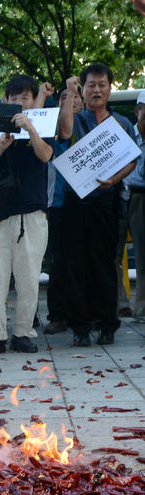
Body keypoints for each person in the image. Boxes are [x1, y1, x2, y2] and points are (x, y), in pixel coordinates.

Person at [58, 64, 137, 346]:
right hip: (75, 201)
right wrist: (69, 93)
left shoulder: (123, 123)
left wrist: (113, 180)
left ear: (109, 88)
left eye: (102, 84)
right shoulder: (77, 118)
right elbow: (65, 133)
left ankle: (107, 325)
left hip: (107, 201)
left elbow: (132, 160)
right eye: (90, 85)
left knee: (105, 264)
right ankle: (80, 328)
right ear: (84, 88)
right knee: (76, 264)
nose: (96, 90)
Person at [0, 75, 54, 357]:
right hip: (0, 217)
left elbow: (45, 155)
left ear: (33, 101)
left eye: (25, 98)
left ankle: (23, 333)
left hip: (32, 214)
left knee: (29, 278)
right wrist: (0, 147)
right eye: (14, 98)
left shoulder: (42, 125)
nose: (19, 103)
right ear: (5, 101)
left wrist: (31, 129)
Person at [44, 87, 83, 335]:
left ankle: (80, 312)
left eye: (76, 96)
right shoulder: (56, 128)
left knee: (81, 261)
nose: (72, 101)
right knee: (58, 262)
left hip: (87, 204)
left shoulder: (92, 125)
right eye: (65, 98)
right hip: (58, 203)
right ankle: (57, 315)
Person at [125, 90, 145, 322]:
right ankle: (135, 308)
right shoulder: (126, 134)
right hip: (130, 196)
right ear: (137, 110)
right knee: (138, 256)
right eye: (143, 108)